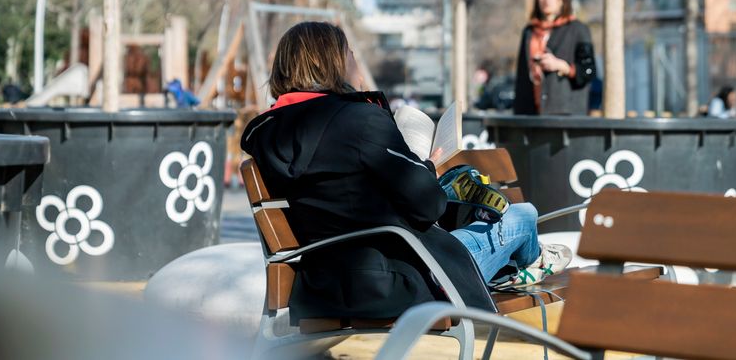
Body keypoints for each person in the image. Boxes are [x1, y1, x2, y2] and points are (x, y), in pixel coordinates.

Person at [240, 22, 566, 322]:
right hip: (405, 283)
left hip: (322, 287)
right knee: (522, 216)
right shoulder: (360, 120)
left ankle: (518, 265)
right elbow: (429, 207)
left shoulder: (269, 134)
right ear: (334, 63)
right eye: (350, 53)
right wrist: (426, 169)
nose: (355, 60)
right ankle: (527, 263)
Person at [513, 0, 596, 115]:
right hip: (531, 113)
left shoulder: (577, 29)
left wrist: (563, 67)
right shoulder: (529, 31)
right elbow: (521, 77)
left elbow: (589, 71)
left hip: (565, 114)